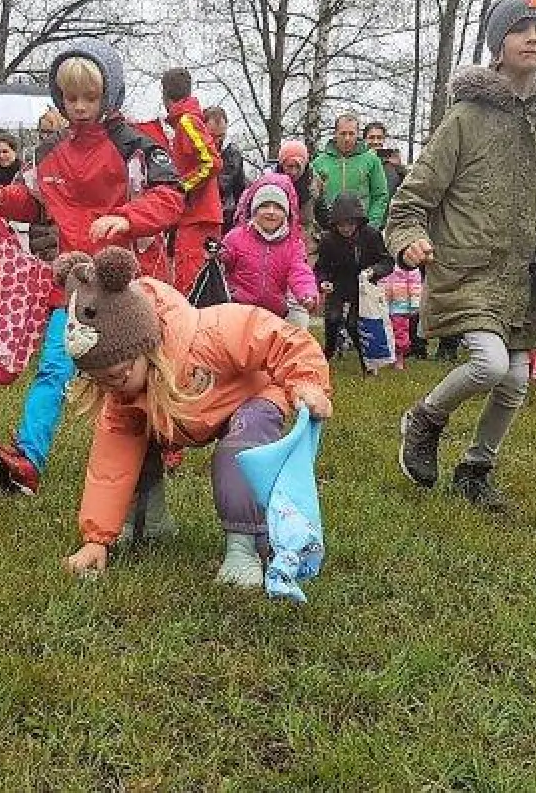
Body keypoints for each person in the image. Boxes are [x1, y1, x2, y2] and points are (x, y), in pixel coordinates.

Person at [388, 0, 536, 509]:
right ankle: (424, 418)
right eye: (520, 29)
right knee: (489, 364)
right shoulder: (467, 117)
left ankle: (476, 468)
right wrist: (408, 239)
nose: (532, 38)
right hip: (470, 266)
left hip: (529, 274)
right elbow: (412, 197)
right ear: (498, 44)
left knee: (516, 379)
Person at [0, 40, 184, 497]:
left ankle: (164, 439)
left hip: (125, 283)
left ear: (111, 94)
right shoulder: (49, 153)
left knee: (140, 373)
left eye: (90, 97)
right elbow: (36, 200)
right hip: (71, 283)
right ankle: (27, 459)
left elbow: (171, 196)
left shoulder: (136, 147)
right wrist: (1, 198)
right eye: (71, 98)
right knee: (54, 368)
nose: (80, 107)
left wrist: (127, 217)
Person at [54, 246, 332, 584]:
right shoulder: (123, 394)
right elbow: (109, 466)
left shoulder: (211, 333)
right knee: (129, 439)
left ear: (143, 348)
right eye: (100, 380)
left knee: (238, 451)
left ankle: (244, 547)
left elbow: (281, 338)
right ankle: (148, 522)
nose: (113, 387)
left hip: (251, 396)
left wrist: (307, 382)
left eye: (118, 375)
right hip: (184, 411)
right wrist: (95, 539)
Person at [160, 68, 225, 293]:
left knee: (191, 282)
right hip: (195, 215)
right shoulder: (185, 123)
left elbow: (212, 162)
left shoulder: (188, 122)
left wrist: (182, 187)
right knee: (194, 279)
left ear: (165, 95)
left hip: (198, 216)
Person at [220, 175, 316, 321]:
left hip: (274, 315)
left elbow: (300, 271)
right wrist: (217, 254)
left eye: (278, 207)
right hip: (239, 312)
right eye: (264, 206)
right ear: (254, 210)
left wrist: (307, 293)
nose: (271, 212)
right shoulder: (235, 237)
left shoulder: (293, 244)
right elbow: (223, 262)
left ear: (286, 214)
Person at [315, 195, 391, 365]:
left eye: (350, 223)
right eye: (341, 224)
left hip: (363, 286)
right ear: (335, 224)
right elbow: (321, 267)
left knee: (353, 324)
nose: (346, 228)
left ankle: (366, 359)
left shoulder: (371, 235)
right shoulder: (328, 239)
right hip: (337, 284)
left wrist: (374, 271)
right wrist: (322, 282)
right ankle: (328, 351)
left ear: (358, 221)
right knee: (332, 318)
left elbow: (387, 262)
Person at [311, 113, 389, 229]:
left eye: (351, 134)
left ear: (357, 135)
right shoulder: (319, 162)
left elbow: (380, 196)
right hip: (328, 229)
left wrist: (372, 225)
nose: (347, 138)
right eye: (343, 133)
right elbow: (313, 199)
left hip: (361, 228)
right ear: (335, 134)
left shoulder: (372, 160)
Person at [205, 105, 247, 230]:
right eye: (212, 136)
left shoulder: (233, 154)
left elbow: (240, 189)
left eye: (221, 136)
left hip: (227, 218)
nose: (217, 141)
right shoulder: (194, 154)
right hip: (203, 217)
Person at [364, 120, 406, 194]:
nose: (375, 142)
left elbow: (407, 187)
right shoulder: (358, 160)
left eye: (379, 138)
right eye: (371, 137)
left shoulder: (391, 165)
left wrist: (399, 168)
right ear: (365, 139)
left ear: (384, 140)